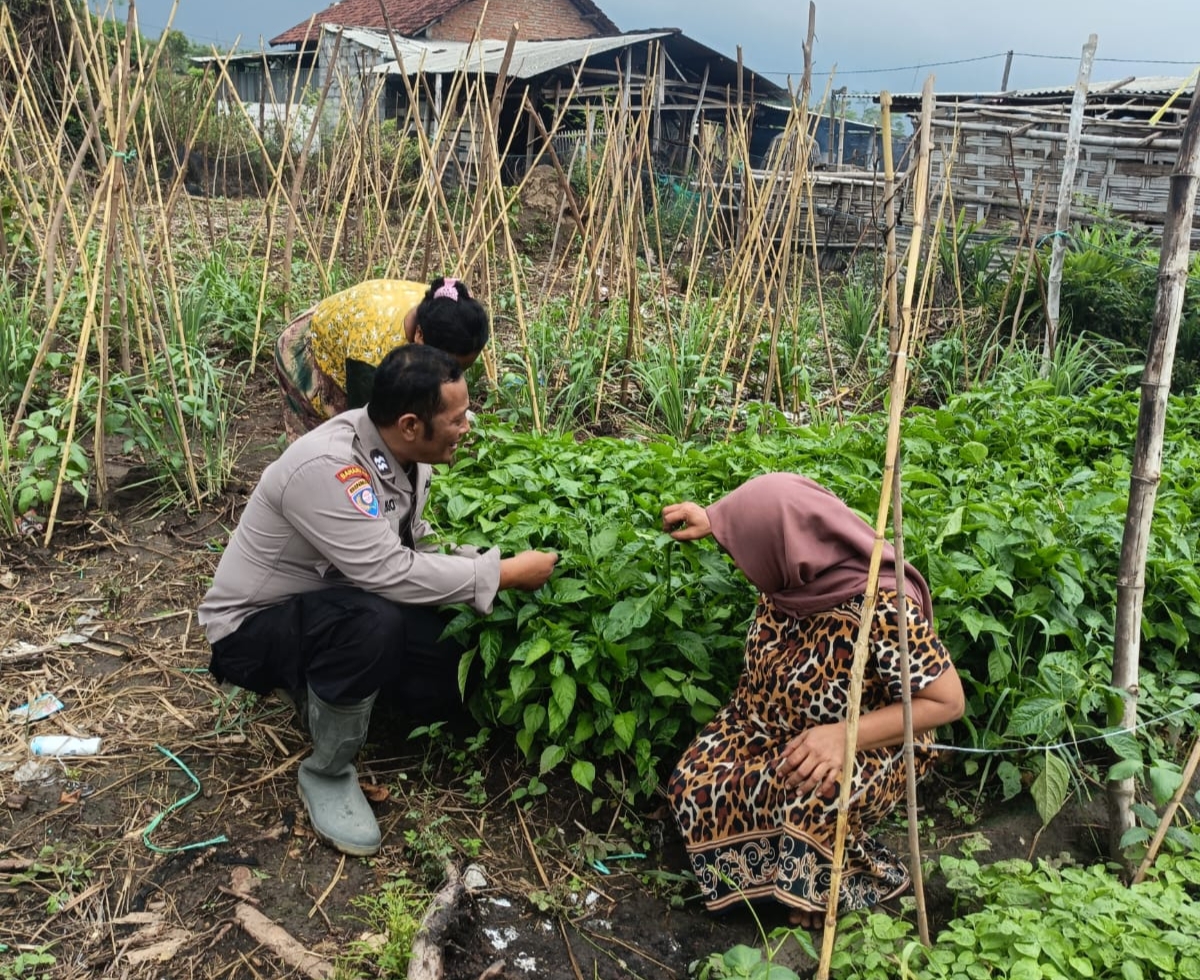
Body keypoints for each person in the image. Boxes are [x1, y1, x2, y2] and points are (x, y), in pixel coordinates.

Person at [200, 344, 557, 857]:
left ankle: (328, 692)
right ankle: (327, 768)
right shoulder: (330, 468)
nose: (467, 427)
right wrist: (501, 574)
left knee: (444, 666)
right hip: (252, 630)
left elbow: (410, 543)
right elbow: (387, 572)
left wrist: (473, 560)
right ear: (411, 424)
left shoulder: (404, 455)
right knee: (375, 624)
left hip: (331, 601)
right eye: (456, 419)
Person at [661, 473, 964, 928]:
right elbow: (772, 514)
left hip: (872, 739)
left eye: (747, 554)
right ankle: (773, 881)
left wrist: (844, 736)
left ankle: (819, 884)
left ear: (786, 550)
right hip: (767, 722)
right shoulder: (793, 577)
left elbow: (947, 702)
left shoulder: (882, 607)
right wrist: (715, 520)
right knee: (691, 784)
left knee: (816, 794)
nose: (744, 568)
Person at [275, 276, 490, 441]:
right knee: (328, 445)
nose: (455, 375)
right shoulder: (371, 353)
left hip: (350, 320)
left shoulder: (446, 307)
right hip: (307, 350)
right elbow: (369, 427)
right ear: (419, 336)